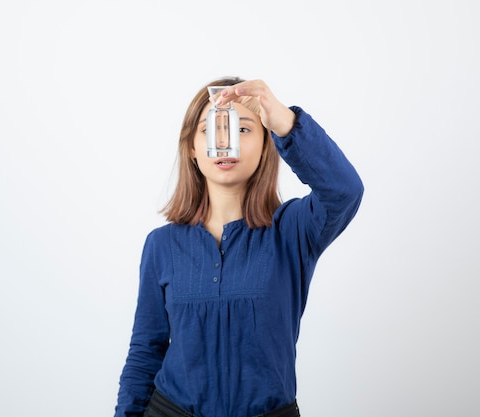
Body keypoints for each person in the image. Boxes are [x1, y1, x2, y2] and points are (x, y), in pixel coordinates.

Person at [113, 77, 364, 417]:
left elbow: (344, 191)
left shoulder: (292, 230)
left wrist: (285, 123)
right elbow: (145, 351)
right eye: (210, 128)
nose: (224, 140)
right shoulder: (162, 244)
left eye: (243, 129)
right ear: (192, 147)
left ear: (265, 144)